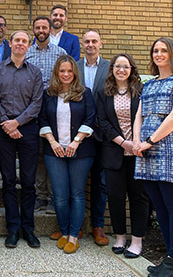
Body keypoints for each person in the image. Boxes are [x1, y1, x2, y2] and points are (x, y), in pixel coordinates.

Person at [132, 37, 173, 276]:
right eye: (155, 51)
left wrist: (149, 141)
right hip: (147, 152)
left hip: (172, 151)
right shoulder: (148, 85)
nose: (158, 54)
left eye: (163, 50)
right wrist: (138, 143)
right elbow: (139, 115)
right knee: (159, 208)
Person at [0, 31, 43, 249]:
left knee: (29, 182)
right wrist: (7, 123)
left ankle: (28, 229)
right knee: (9, 181)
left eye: (24, 41)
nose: (20, 44)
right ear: (10, 44)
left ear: (28, 46)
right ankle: (12, 229)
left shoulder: (36, 72)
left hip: (28, 131)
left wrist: (17, 123)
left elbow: (37, 103)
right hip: (4, 131)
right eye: (17, 40)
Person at [39, 54, 96, 254]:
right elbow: (43, 119)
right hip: (53, 151)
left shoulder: (85, 93)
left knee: (77, 194)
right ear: (56, 72)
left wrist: (75, 142)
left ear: (75, 73)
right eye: (62, 71)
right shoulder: (48, 94)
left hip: (81, 152)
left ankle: (74, 235)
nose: (65, 74)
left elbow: (90, 119)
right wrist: (53, 142)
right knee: (60, 196)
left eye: (69, 71)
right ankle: (64, 233)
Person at [96, 54, 149, 258]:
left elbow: (148, 118)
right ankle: (120, 237)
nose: (121, 70)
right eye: (117, 66)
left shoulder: (142, 91)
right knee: (115, 197)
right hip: (113, 153)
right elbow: (103, 122)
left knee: (139, 197)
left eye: (125, 66)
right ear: (112, 69)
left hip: (139, 153)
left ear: (131, 69)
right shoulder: (104, 93)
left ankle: (137, 241)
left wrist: (137, 143)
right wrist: (122, 142)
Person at [26, 16, 66, 213]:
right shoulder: (26, 53)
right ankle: (40, 195)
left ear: (50, 30)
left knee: (51, 152)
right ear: (33, 30)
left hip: (54, 107)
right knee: (38, 154)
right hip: (32, 109)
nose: (41, 30)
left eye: (44, 27)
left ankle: (52, 196)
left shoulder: (61, 53)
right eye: (37, 27)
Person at [76, 29, 109, 246]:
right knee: (77, 181)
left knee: (101, 181)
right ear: (82, 44)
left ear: (100, 44)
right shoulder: (74, 67)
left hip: (103, 133)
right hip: (78, 133)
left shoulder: (110, 67)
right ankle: (75, 226)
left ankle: (98, 225)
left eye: (94, 41)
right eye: (87, 41)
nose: (90, 44)